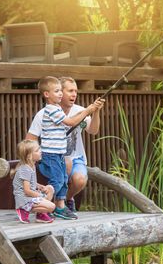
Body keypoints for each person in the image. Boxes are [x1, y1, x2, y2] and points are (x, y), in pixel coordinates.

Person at [26, 76, 104, 212]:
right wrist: (36, 157)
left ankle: (65, 199)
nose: (74, 94)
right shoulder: (44, 113)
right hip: (52, 157)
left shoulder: (79, 110)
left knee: (79, 179)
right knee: (66, 164)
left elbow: (93, 131)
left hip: (76, 157)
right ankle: (52, 204)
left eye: (75, 91)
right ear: (58, 92)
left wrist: (95, 111)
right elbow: (30, 139)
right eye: (70, 91)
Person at [11, 139, 55, 224]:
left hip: (30, 196)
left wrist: (39, 186)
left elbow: (29, 182)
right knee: (51, 207)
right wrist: (41, 196)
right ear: (29, 156)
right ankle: (23, 209)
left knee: (50, 188)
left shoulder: (31, 166)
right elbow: (27, 191)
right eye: (37, 150)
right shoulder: (25, 169)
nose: (40, 151)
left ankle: (41, 215)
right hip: (24, 199)